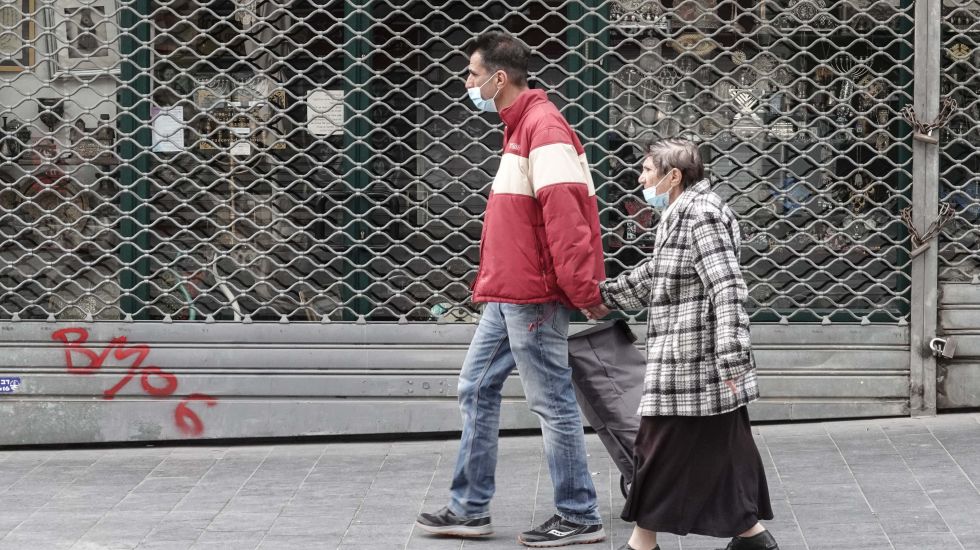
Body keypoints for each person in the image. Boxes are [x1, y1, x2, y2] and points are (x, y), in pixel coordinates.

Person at [415, 32, 607, 548]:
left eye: (473, 74)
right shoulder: (520, 127)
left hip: (533, 296)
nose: (467, 83)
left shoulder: (543, 127)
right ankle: (469, 508)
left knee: (552, 401)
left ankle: (579, 513)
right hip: (509, 294)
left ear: (499, 78)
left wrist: (583, 290)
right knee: (475, 387)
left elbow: (567, 219)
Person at [584, 138, 779, 550]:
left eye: (647, 171)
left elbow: (727, 287)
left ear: (673, 176)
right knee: (722, 451)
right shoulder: (682, 213)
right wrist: (604, 296)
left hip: (694, 363)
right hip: (688, 361)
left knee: (656, 449)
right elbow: (659, 273)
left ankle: (642, 543)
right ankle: (751, 537)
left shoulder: (701, 214)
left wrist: (731, 358)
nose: (640, 179)